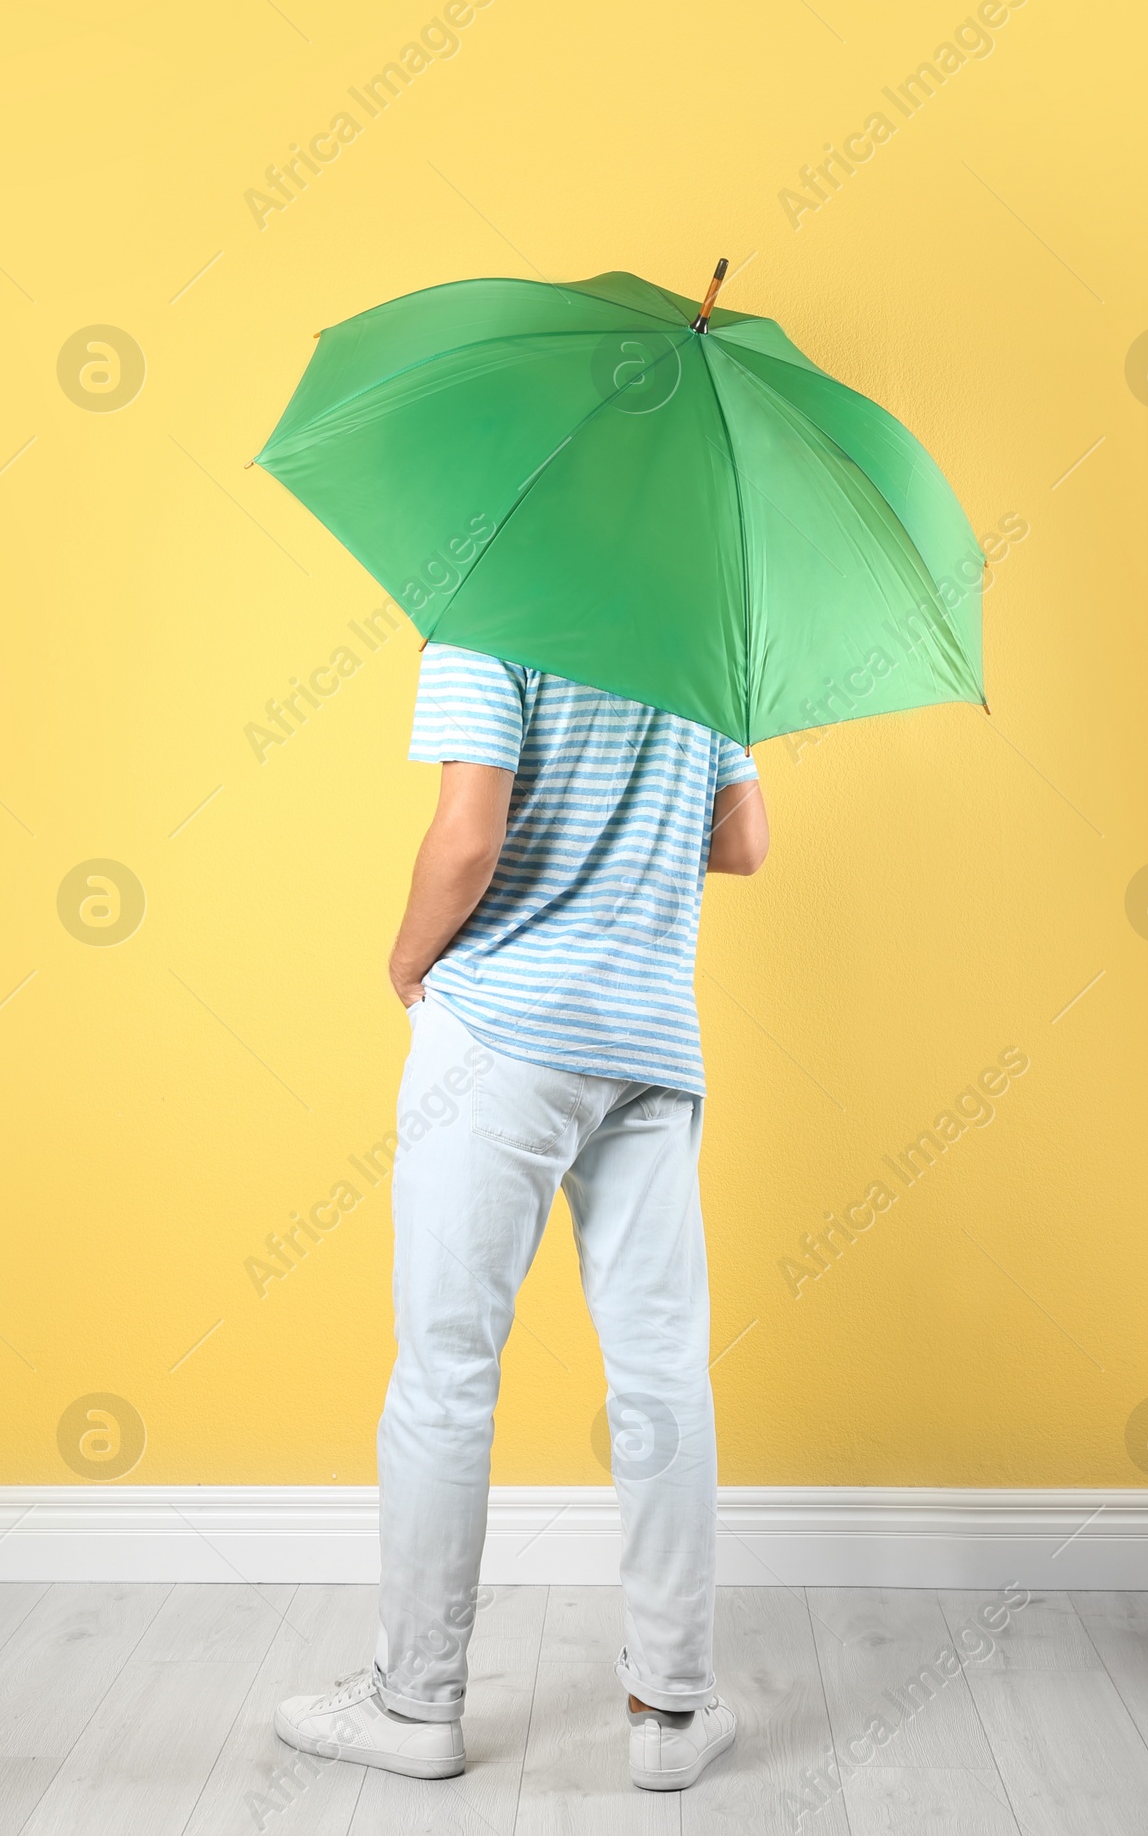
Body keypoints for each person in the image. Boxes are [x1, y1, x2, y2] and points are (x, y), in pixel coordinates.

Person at [273, 641, 769, 1794]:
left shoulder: (490, 617)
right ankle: (669, 1713)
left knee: (447, 1368)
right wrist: (631, 815)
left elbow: (467, 837)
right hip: (648, 1044)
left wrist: (406, 962)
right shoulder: (698, 635)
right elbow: (745, 842)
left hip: (501, 1033)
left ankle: (415, 1706)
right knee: (660, 1376)